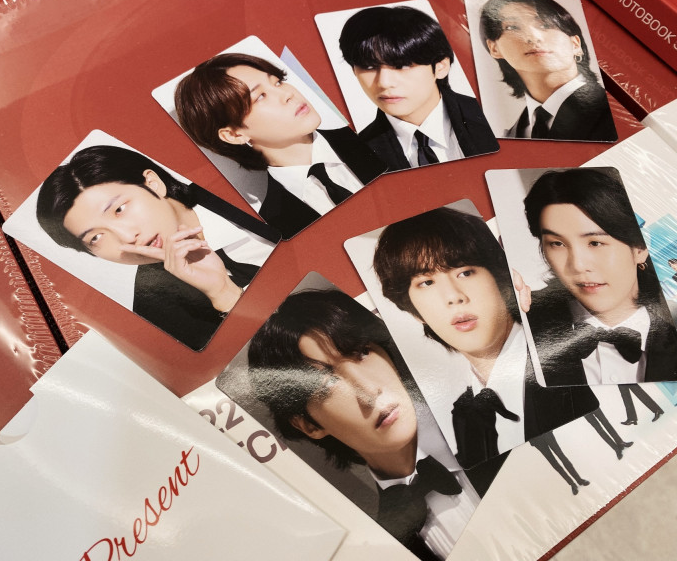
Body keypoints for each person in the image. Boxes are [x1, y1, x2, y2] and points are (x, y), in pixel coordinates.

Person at [372, 207, 598, 490]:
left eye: (465, 272)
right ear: (414, 311)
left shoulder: (580, 344)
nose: (453, 297)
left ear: (500, 278)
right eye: (426, 282)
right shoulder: (464, 417)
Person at [246, 289, 478, 560]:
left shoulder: (501, 419)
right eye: (327, 385)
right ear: (309, 426)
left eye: (362, 352)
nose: (369, 391)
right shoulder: (380, 546)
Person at [36, 144, 279, 351]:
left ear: (153, 184)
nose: (127, 237)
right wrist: (223, 294)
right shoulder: (157, 311)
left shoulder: (241, 189)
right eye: (96, 238)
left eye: (119, 209)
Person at [175, 53, 385, 239]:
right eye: (260, 96)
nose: (288, 94)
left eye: (278, 82)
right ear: (234, 135)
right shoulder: (274, 227)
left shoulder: (379, 137)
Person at [523, 168, 677, 385]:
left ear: (640, 248)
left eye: (595, 243)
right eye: (557, 243)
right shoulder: (519, 326)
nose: (578, 265)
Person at [338, 5, 498, 171]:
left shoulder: (493, 117)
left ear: (441, 67)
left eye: (401, 66)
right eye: (369, 67)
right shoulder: (356, 157)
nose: (384, 82)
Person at [479, 0, 617, 141]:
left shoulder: (612, 112)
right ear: (494, 48)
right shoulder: (511, 135)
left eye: (545, 25)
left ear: (575, 44)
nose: (533, 37)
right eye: (512, 27)